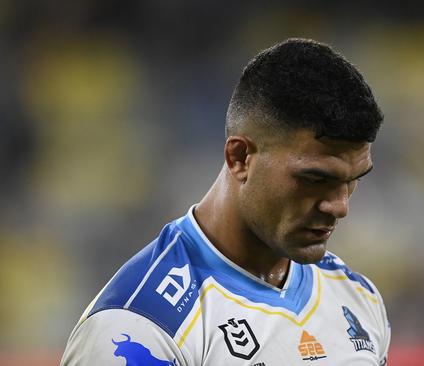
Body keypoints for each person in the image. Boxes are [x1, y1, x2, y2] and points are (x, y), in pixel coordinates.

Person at [61, 38, 390, 366]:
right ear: (240, 157)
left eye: (352, 180)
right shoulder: (141, 327)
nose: (339, 206)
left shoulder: (357, 298)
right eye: (316, 180)